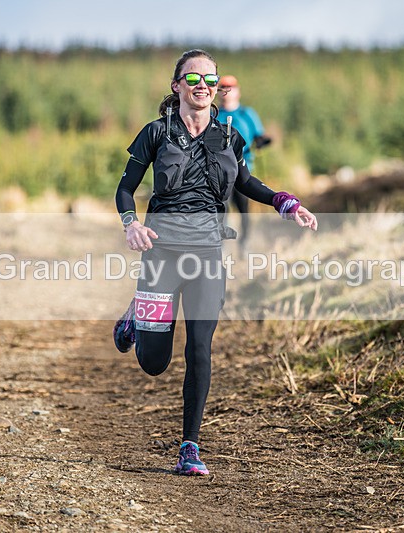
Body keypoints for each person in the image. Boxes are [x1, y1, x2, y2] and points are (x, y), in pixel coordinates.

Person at [112, 49, 317, 476]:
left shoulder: (228, 136)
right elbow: (125, 189)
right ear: (177, 87)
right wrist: (131, 224)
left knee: (200, 349)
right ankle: (136, 319)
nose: (203, 86)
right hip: (161, 256)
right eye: (193, 79)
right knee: (154, 363)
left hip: (207, 255)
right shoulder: (156, 133)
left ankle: (190, 447)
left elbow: (245, 181)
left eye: (210, 79)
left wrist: (284, 201)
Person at [216, 75, 272, 249]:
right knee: (222, 210)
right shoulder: (213, 113)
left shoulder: (247, 114)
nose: (227, 92)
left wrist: (262, 141)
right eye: (223, 88)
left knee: (244, 211)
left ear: (237, 92)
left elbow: (259, 134)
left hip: (244, 169)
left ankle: (244, 244)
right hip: (220, 172)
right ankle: (221, 248)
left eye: (230, 88)